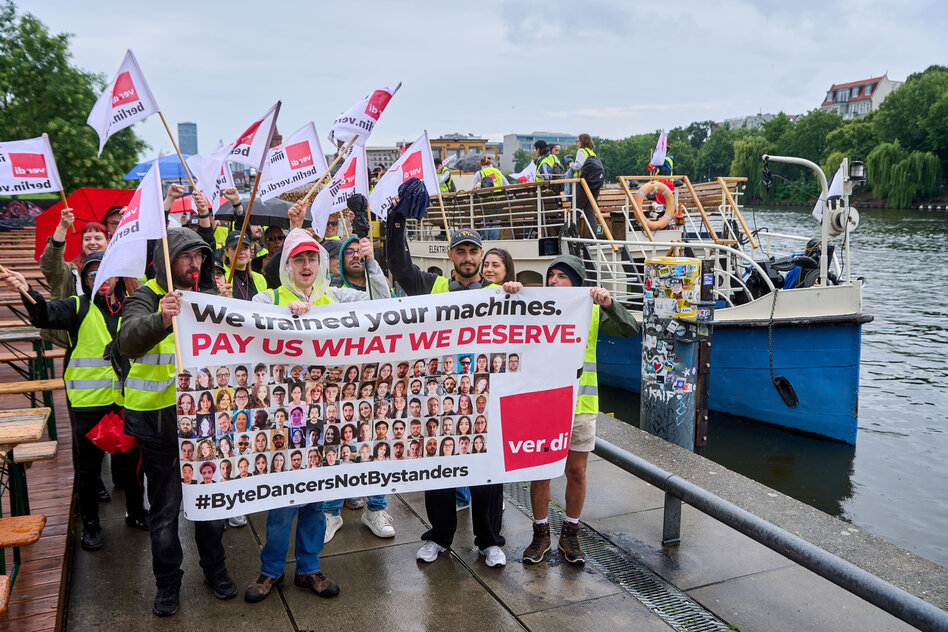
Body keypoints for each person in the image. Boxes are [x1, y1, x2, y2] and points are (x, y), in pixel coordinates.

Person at [245, 218, 391, 603]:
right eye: (298, 259)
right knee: (282, 502)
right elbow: (249, 328)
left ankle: (308, 568)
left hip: (327, 420)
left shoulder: (337, 298)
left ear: (321, 263)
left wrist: (372, 264)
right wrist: (284, 317)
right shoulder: (268, 301)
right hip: (284, 422)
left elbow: (383, 305)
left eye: (312, 258)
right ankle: (270, 571)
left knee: (314, 498)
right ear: (287, 266)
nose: (306, 265)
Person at [116, 227, 234, 616]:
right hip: (158, 425)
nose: (194, 263)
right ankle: (168, 583)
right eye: (186, 256)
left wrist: (232, 312)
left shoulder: (209, 296)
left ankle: (215, 569)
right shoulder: (144, 296)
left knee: (211, 506)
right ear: (165, 261)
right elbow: (128, 339)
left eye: (199, 256)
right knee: (165, 512)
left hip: (204, 423)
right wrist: (161, 319)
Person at [386, 191, 506, 568]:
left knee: (488, 472)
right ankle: (439, 537)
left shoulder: (499, 293)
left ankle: (490, 541)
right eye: (461, 251)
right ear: (450, 255)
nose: (468, 257)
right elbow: (398, 265)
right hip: (440, 397)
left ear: (481, 256)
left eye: (473, 251)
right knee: (439, 470)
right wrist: (397, 220)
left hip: (484, 397)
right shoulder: (431, 287)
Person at [1, 254, 147, 551]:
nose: (100, 279)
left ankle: (136, 511)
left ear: (117, 276)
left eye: (106, 273)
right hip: (88, 405)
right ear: (85, 279)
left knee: (132, 463)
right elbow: (44, 314)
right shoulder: (77, 306)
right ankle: (91, 524)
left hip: (127, 401)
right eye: (92, 275)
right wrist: (25, 289)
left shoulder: (132, 306)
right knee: (88, 469)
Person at [504, 255, 638, 565]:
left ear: (576, 283)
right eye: (551, 275)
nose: (553, 281)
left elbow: (630, 328)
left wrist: (609, 304)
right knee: (542, 471)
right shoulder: (533, 306)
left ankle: (570, 534)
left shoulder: (591, 311)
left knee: (576, 471)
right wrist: (508, 292)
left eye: (562, 276)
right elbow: (502, 320)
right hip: (545, 405)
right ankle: (540, 534)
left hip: (582, 404)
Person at [220, 230, 267, 300]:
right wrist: (219, 298)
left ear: (250, 251)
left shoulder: (260, 279)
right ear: (226, 252)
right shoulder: (221, 277)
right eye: (235, 248)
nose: (241, 252)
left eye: (245, 248)